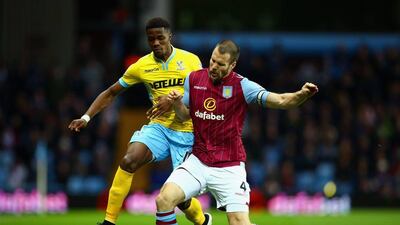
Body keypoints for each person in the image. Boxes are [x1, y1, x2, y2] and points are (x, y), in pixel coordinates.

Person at [153, 40, 318, 225]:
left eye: (220, 64)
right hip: (198, 161)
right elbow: (184, 116)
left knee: (239, 222)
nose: (214, 67)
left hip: (229, 167)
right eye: (212, 60)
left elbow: (280, 100)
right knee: (164, 200)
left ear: (232, 65)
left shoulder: (242, 86)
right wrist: (177, 103)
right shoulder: (193, 79)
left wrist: (301, 95)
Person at [68, 17, 211, 225]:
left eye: (160, 38)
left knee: (181, 200)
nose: (155, 43)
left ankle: (202, 221)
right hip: (159, 128)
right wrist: (86, 117)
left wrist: (172, 100)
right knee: (129, 160)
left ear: (170, 36)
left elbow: (203, 93)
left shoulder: (191, 60)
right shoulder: (141, 66)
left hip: (188, 131)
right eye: (151, 39)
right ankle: (109, 221)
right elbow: (110, 93)